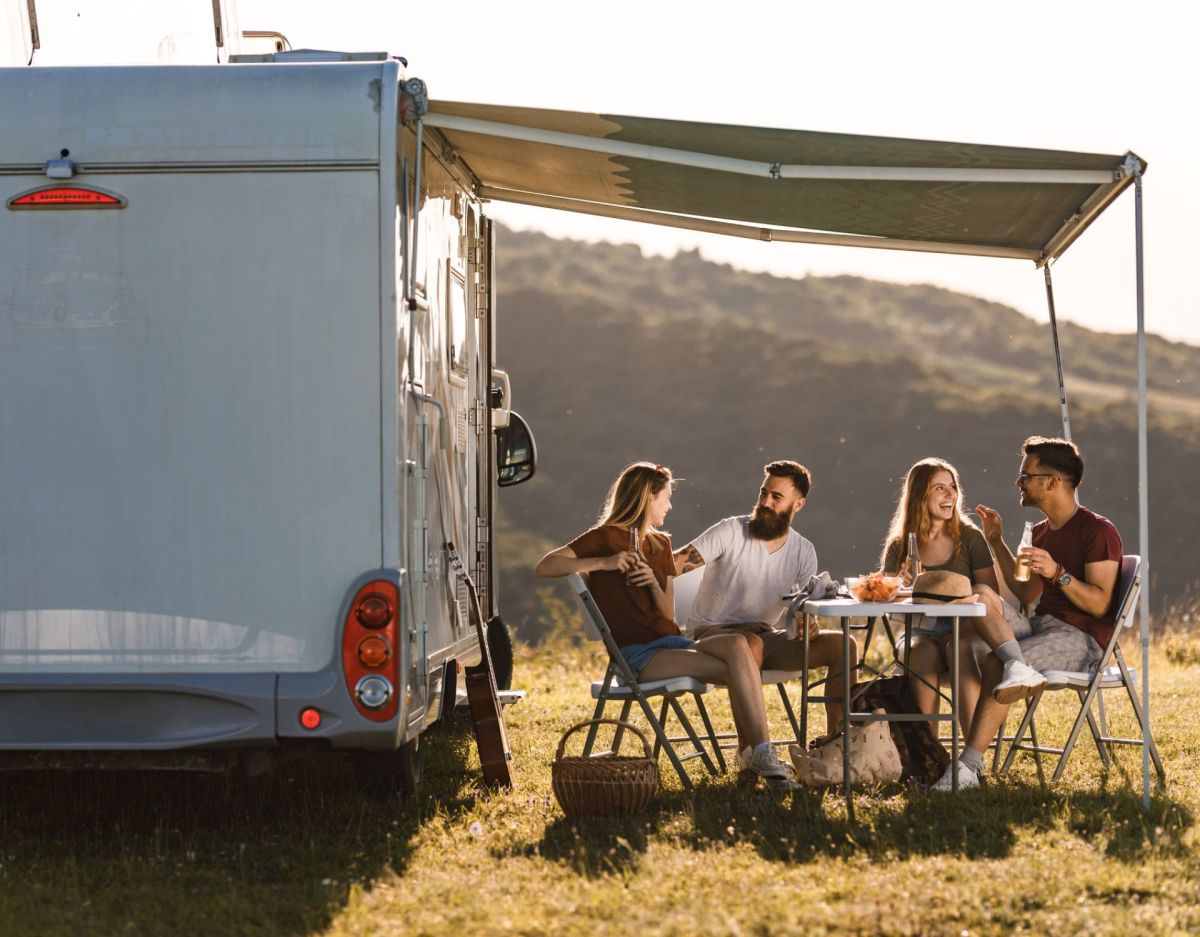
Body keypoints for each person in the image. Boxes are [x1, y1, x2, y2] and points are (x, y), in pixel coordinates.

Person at [534, 461, 798, 791]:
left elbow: (668, 615)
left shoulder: (659, 546)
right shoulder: (605, 538)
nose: (669, 505)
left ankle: (756, 753)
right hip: (638, 654)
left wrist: (652, 583)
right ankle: (758, 753)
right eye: (666, 498)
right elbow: (545, 566)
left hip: (673, 643)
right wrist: (605, 562)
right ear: (648, 498)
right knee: (741, 662)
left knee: (738, 645)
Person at [933, 436, 1124, 791]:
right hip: (1039, 626)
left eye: (1025, 475)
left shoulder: (1098, 530)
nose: (1018, 482)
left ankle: (968, 767)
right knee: (979, 598)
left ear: (1052, 481)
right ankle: (1013, 668)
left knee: (994, 663)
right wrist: (995, 542)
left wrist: (1058, 573)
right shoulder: (1038, 532)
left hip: (1080, 639)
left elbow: (1099, 605)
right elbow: (1026, 592)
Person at [672, 460, 854, 740]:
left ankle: (839, 743)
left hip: (764, 636)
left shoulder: (803, 552)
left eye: (776, 497)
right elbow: (676, 563)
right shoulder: (731, 531)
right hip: (712, 637)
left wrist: (808, 624)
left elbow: (800, 611)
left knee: (843, 646)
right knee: (751, 643)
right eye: (763, 493)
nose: (766, 502)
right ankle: (754, 752)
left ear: (798, 504)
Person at [881, 458, 1042, 740]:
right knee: (920, 651)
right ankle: (928, 755)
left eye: (952, 487)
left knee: (958, 646)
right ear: (920, 494)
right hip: (923, 629)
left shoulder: (969, 537)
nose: (950, 495)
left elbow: (986, 598)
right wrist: (902, 587)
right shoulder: (901, 545)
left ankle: (971, 755)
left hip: (968, 628)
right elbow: (887, 600)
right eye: (939, 488)